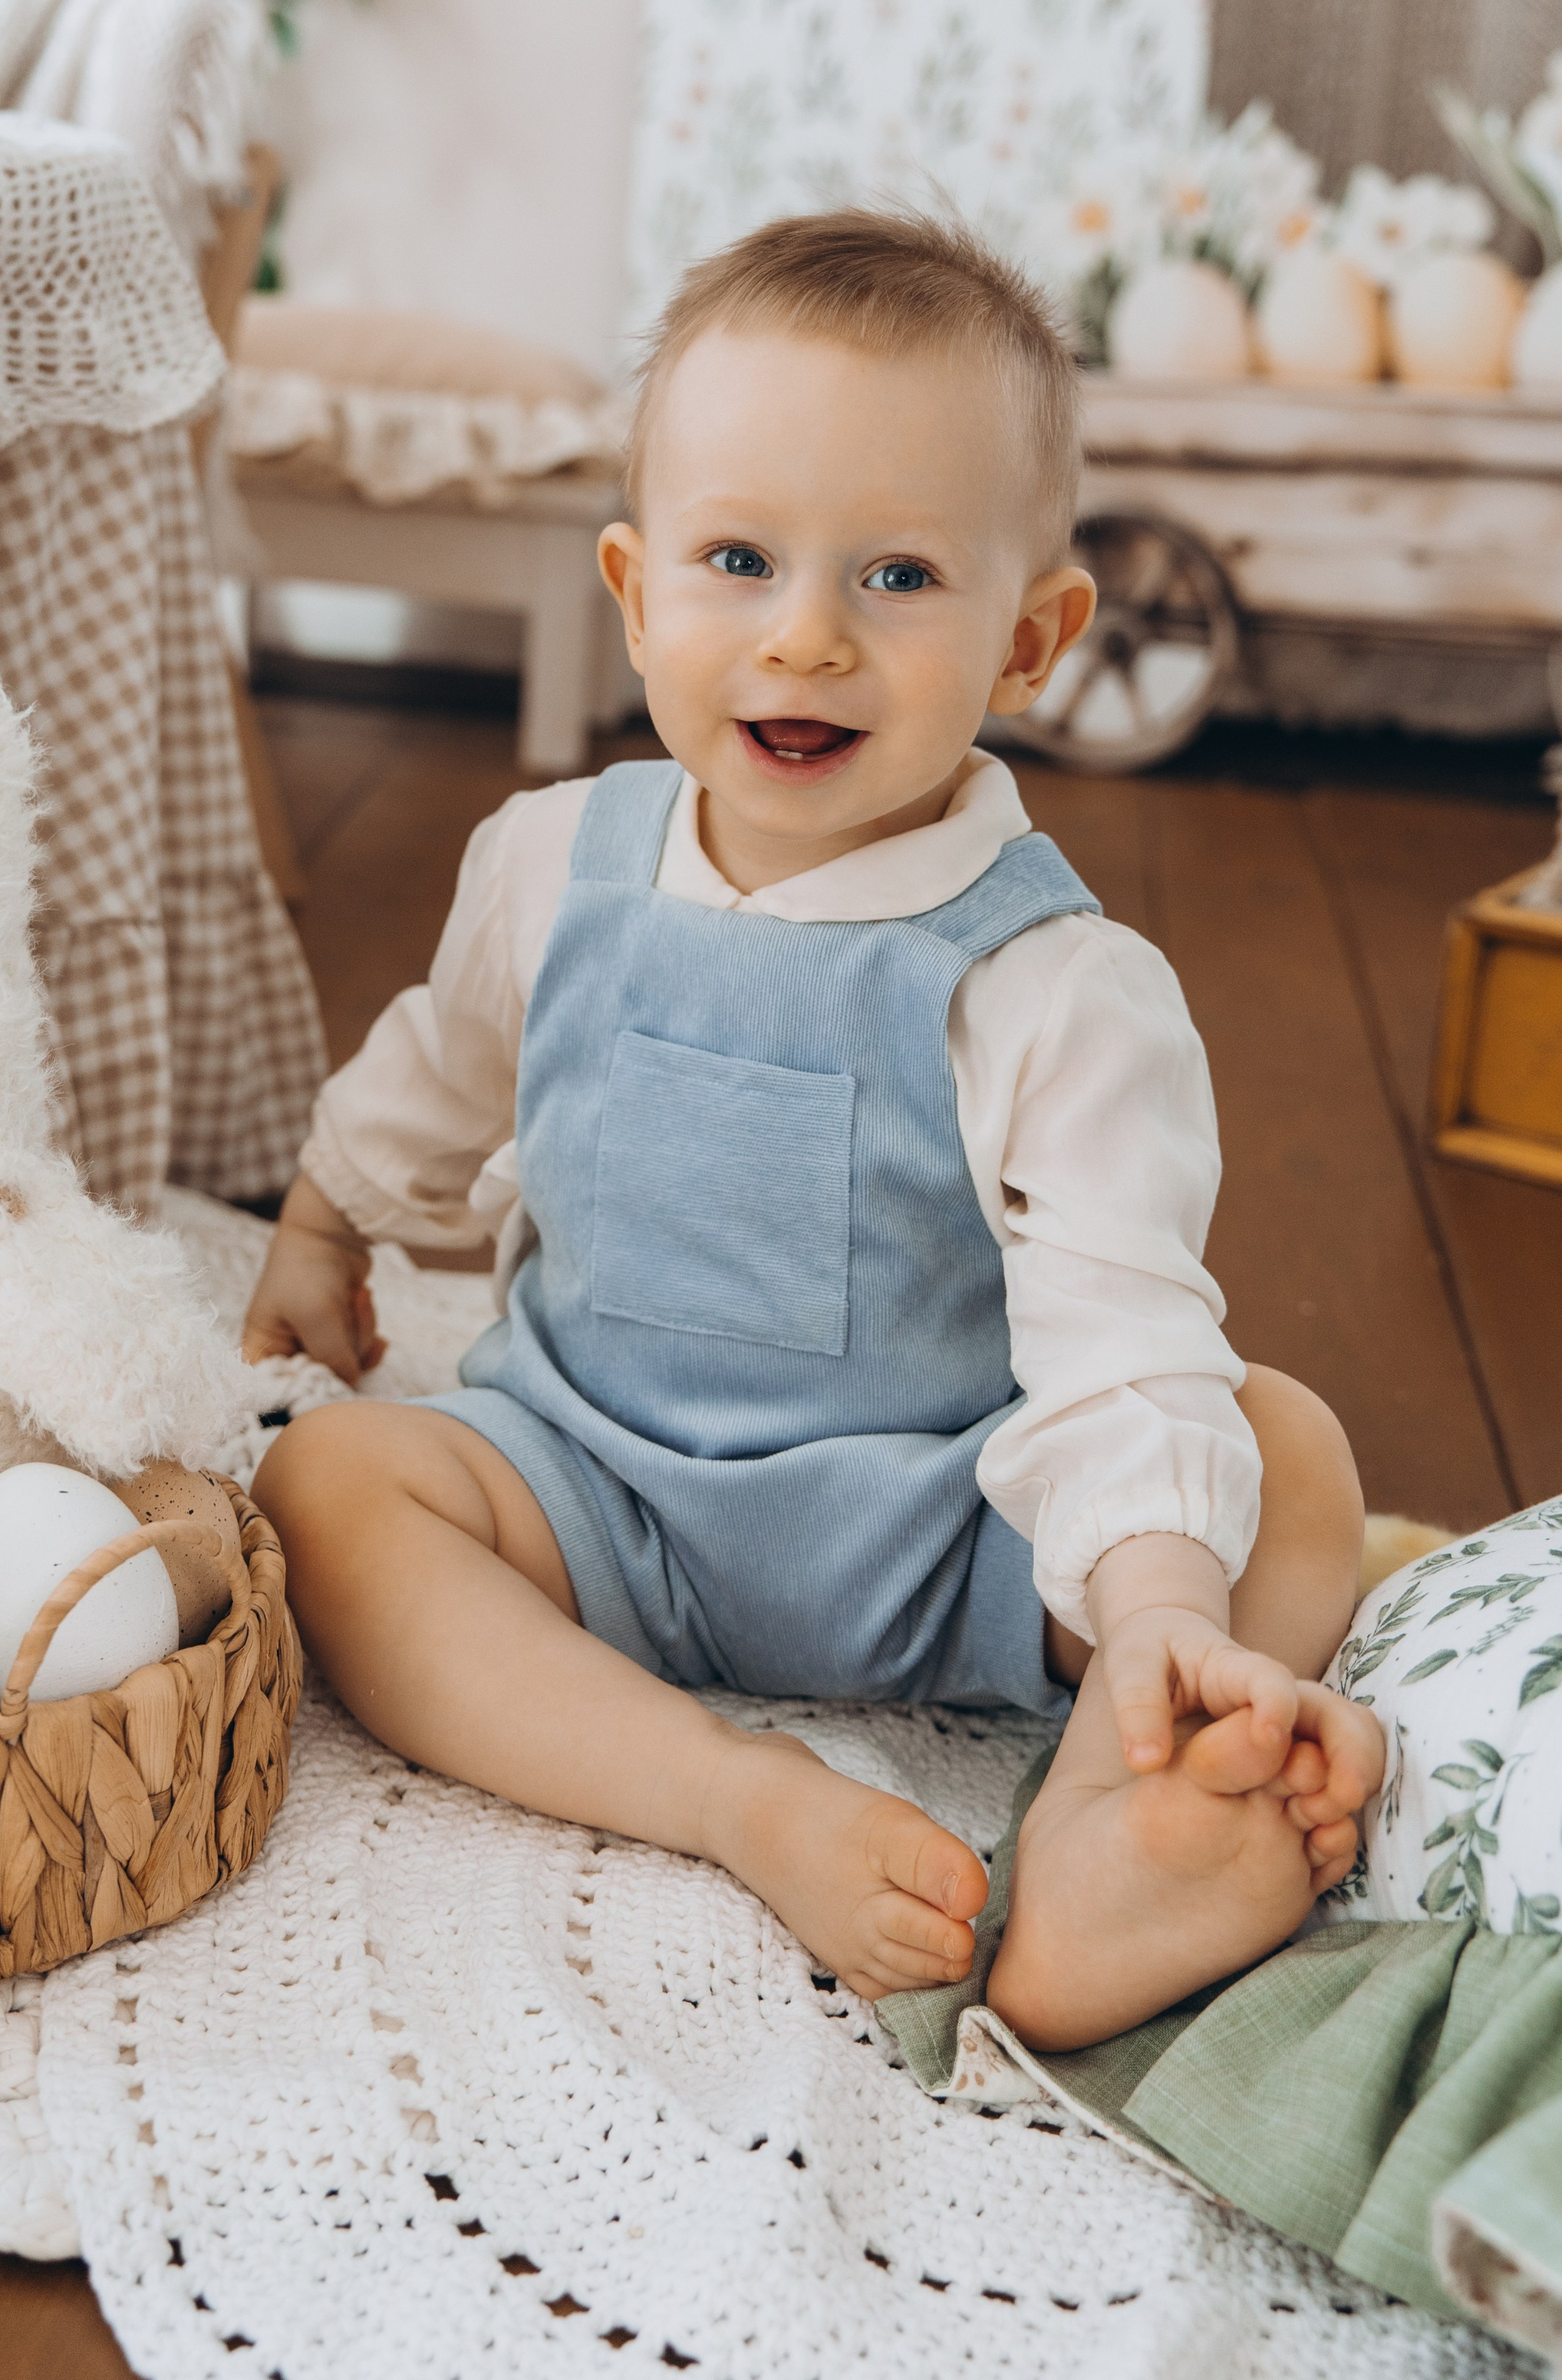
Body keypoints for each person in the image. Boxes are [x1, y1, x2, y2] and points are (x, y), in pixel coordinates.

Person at [246, 210, 1382, 2052]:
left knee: (1285, 1453)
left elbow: (1119, 1326)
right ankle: (719, 1791)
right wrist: (319, 1223)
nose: (804, 637)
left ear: (1031, 637)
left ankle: (1110, 1804)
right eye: (740, 559)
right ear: (632, 591)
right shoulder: (550, 864)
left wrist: (1161, 1603)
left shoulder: (1053, 980)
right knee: (331, 1490)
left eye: (898, 578)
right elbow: (434, 1075)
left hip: (952, 1533)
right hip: (595, 1493)